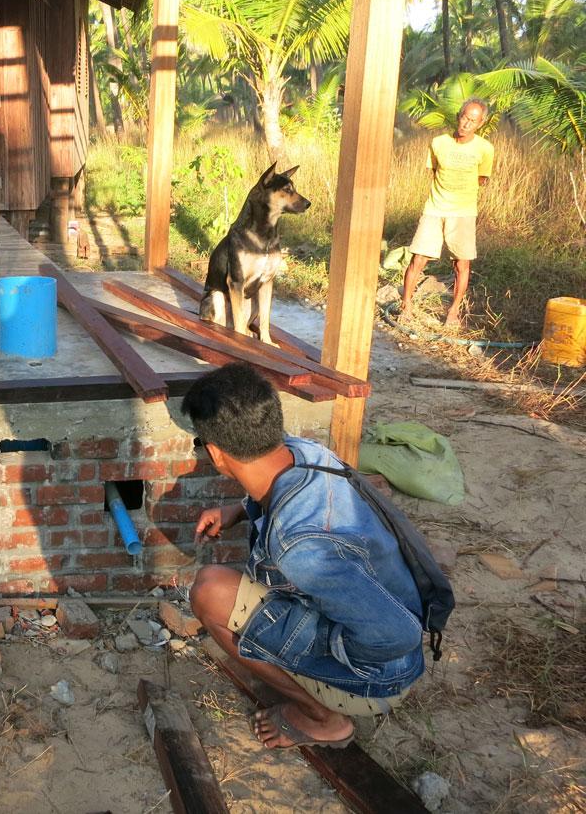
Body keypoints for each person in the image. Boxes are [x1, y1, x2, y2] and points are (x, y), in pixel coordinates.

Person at [185, 363, 425, 749]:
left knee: (209, 592)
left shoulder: (299, 545)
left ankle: (323, 717)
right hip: (385, 625)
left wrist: (319, 647)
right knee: (228, 587)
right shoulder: (303, 451)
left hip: (378, 675)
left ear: (216, 453)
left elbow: (397, 636)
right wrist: (240, 509)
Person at [399, 98, 494, 328]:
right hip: (434, 208)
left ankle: (453, 312)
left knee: (462, 264)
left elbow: (481, 179)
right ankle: (406, 306)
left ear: (480, 123)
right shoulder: (439, 143)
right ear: (458, 115)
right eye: (464, 117)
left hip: (463, 213)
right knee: (418, 258)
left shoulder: (485, 149)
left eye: (472, 120)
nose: (466, 124)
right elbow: (434, 172)